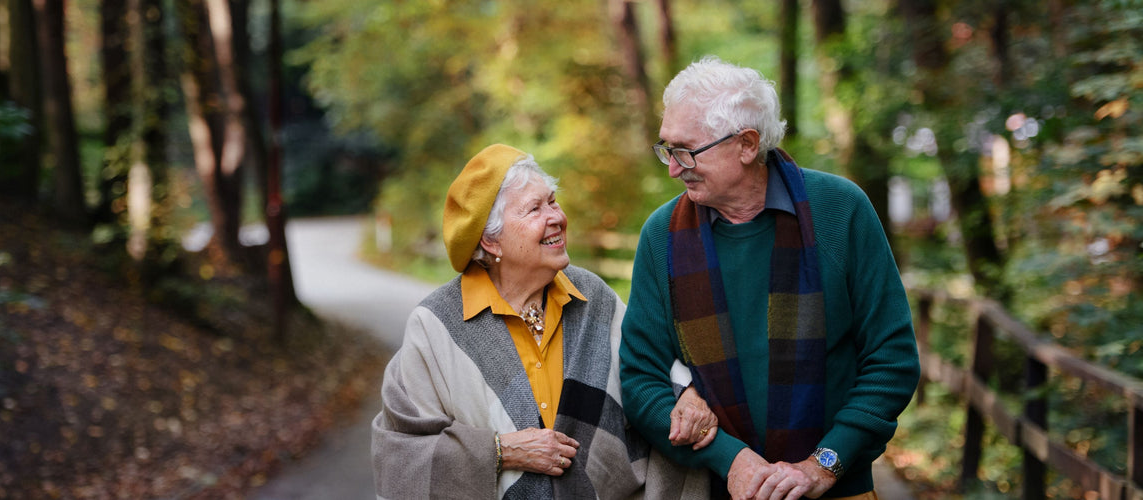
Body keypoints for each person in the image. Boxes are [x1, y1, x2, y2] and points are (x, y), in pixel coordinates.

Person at [619, 56, 921, 500]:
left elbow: (891, 360)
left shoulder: (841, 211)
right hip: (713, 489)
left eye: (685, 150)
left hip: (839, 489)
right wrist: (731, 459)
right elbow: (640, 378)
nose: (672, 167)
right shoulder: (661, 236)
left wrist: (825, 464)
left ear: (746, 144)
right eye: (666, 148)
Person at [371, 144, 709, 499]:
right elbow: (400, 456)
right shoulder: (435, 326)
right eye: (534, 208)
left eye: (552, 201)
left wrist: (688, 394)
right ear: (491, 240)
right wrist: (501, 452)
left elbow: (650, 368)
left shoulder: (592, 296)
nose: (556, 217)